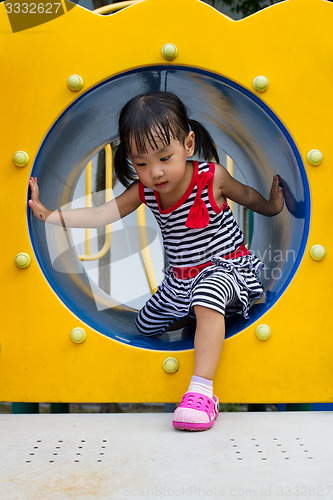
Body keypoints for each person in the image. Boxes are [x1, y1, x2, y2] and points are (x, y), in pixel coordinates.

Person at [29, 91, 284, 431]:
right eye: (143, 163)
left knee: (210, 291)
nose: (156, 172)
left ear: (188, 144)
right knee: (146, 323)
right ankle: (200, 313)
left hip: (227, 269)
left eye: (165, 157)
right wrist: (49, 215)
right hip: (181, 280)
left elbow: (248, 197)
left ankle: (202, 392)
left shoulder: (213, 176)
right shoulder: (145, 192)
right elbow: (102, 213)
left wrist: (272, 206)